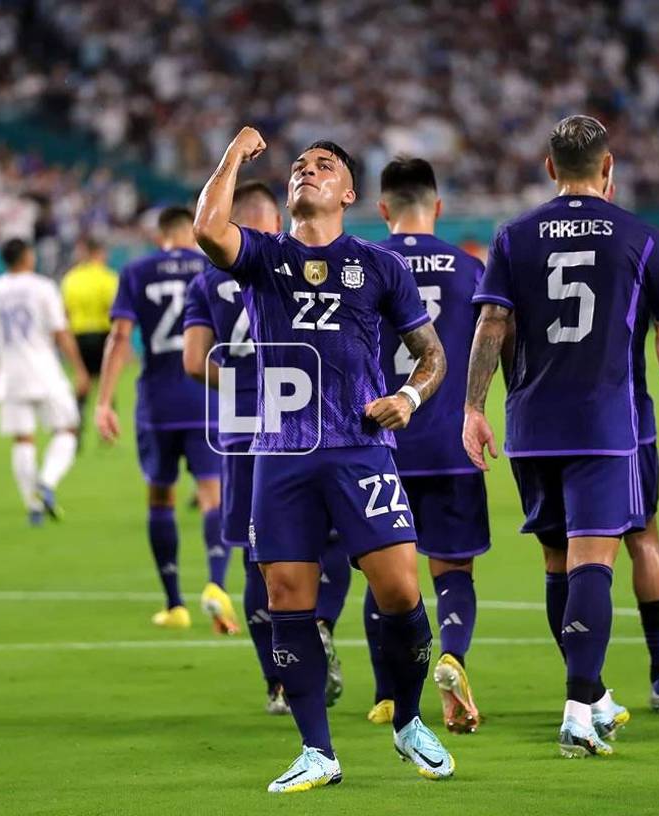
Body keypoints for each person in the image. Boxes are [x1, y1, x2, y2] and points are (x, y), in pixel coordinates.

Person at [195, 127, 455, 792]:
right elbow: (206, 228)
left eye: (324, 166)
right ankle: (318, 750)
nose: (308, 171)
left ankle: (408, 722)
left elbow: (432, 355)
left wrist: (408, 396)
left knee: (399, 588)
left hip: (360, 447)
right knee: (290, 599)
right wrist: (232, 155)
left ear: (347, 193)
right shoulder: (264, 256)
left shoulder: (379, 265)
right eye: (301, 166)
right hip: (281, 453)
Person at [463, 115, 659, 758]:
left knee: (558, 564)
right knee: (594, 562)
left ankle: (593, 691)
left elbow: (493, 323)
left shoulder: (513, 236)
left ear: (550, 167)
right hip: (604, 426)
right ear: (609, 168)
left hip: (530, 424)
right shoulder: (643, 238)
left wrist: (472, 409)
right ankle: (578, 711)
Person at [182, 181, 352, 714]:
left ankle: (278, 684)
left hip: (239, 431)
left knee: (258, 557)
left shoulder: (208, 278)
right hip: (308, 423)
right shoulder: (295, 265)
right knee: (334, 537)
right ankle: (320, 620)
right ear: (274, 220)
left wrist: (243, 389)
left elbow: (192, 362)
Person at [367, 157, 489, 734]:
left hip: (379, 443)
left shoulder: (362, 266)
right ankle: (452, 655)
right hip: (449, 441)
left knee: (383, 569)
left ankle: (389, 693)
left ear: (382, 208)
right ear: (437, 208)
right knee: (453, 565)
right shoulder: (471, 270)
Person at [94, 208, 235, 635]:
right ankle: (216, 584)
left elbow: (120, 337)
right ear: (190, 232)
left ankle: (175, 604)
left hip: (157, 402)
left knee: (161, 499)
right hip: (207, 394)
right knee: (213, 495)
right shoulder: (212, 268)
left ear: (161, 236)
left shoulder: (137, 270)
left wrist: (104, 401)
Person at [0, 238, 89, 526]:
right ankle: (46, 481)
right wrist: (79, 368)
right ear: (27, 257)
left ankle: (33, 506)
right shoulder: (43, 287)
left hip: (11, 375)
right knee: (67, 429)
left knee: (22, 439)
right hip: (44, 372)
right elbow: (60, 332)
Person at [61, 237, 119, 441]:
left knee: (82, 383)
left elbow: (65, 312)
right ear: (100, 254)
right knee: (106, 382)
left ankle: (75, 430)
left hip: (79, 336)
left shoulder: (71, 279)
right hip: (103, 335)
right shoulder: (108, 278)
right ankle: (108, 431)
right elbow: (113, 310)